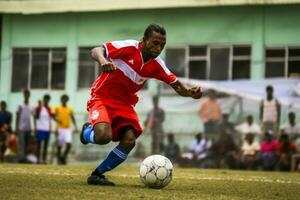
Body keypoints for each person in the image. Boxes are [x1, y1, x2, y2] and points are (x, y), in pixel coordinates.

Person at [79, 24, 202, 186]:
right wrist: (103, 60)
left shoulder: (157, 64)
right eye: (155, 43)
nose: (158, 48)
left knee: (129, 141)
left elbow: (178, 86)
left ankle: (97, 174)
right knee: (103, 137)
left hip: (124, 104)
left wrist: (190, 93)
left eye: (162, 45)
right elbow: (96, 50)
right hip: (102, 97)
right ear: (144, 40)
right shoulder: (129, 47)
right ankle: (87, 133)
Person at [54, 94, 78, 165]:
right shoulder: (57, 108)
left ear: (67, 100)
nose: (64, 100)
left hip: (67, 129)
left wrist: (76, 126)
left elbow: (72, 118)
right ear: (61, 100)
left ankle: (63, 157)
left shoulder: (69, 109)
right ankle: (59, 160)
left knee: (69, 144)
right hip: (60, 128)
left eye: (65, 99)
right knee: (59, 145)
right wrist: (57, 121)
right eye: (63, 99)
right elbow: (53, 116)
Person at [34, 94, 55, 164]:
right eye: (45, 99)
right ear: (43, 99)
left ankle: (44, 160)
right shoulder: (39, 108)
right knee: (39, 145)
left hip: (47, 129)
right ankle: (37, 159)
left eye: (47, 99)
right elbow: (36, 117)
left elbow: (52, 117)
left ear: (49, 100)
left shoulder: (49, 109)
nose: (46, 100)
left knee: (45, 146)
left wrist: (58, 121)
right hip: (40, 129)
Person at [16, 89, 34, 163]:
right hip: (21, 128)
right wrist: (16, 127)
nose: (26, 95)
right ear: (23, 95)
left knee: (27, 144)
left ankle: (25, 157)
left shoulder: (31, 106)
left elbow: (34, 117)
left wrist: (34, 128)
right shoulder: (20, 105)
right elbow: (18, 116)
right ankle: (21, 158)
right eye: (25, 94)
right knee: (21, 143)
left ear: (29, 95)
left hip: (29, 128)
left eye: (27, 94)